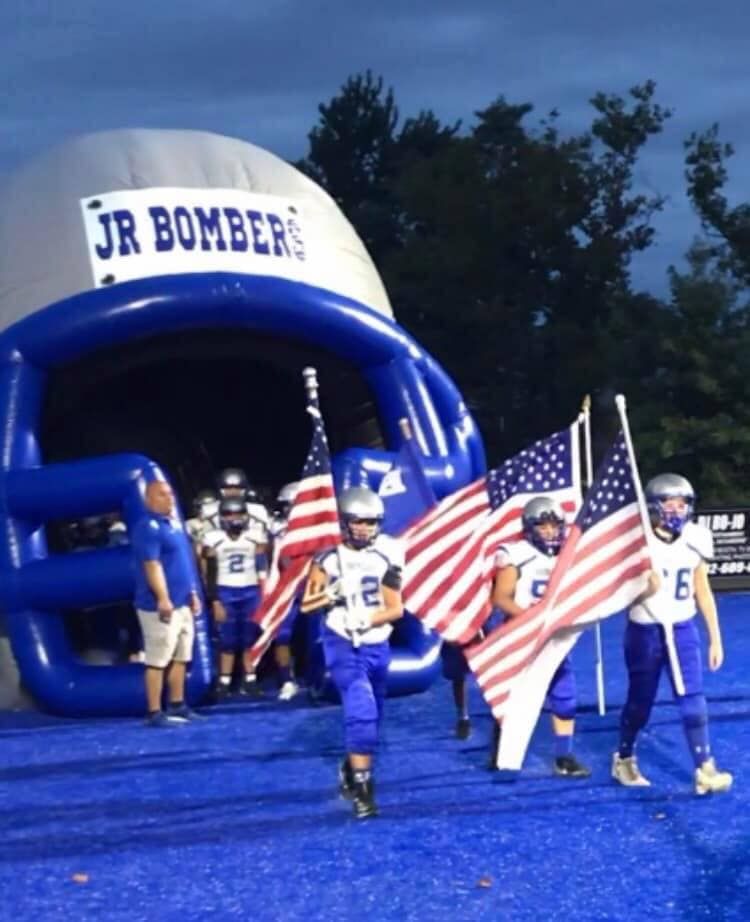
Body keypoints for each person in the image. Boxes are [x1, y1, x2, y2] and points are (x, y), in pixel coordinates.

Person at [612, 473, 732, 795]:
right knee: (640, 703)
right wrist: (642, 589)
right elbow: (617, 596)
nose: (677, 510)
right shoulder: (637, 541)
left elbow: (702, 590)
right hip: (645, 630)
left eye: (683, 503)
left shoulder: (695, 537)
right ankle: (624, 756)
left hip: (681, 627)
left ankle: (705, 768)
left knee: (693, 699)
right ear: (654, 505)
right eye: (670, 503)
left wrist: (715, 637)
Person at [301, 486, 403, 820]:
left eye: (369, 522)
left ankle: (350, 765)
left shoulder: (385, 558)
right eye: (356, 521)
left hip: (376, 642)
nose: (363, 528)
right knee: (361, 710)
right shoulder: (328, 559)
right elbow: (306, 604)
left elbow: (396, 609)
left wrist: (368, 617)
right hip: (343, 642)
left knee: (375, 714)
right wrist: (330, 595)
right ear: (344, 522)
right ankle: (364, 790)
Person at [490, 496, 591, 777]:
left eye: (554, 526)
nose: (549, 532)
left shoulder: (568, 554)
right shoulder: (514, 553)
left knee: (565, 695)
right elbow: (501, 596)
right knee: (511, 694)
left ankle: (564, 756)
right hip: (519, 633)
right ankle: (501, 748)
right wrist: (529, 620)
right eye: (542, 526)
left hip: (554, 635)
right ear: (529, 527)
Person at [130, 479, 204, 726]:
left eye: (170, 494)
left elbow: (183, 563)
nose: (169, 498)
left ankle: (177, 703)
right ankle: (153, 711)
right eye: (162, 495)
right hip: (159, 606)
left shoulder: (173, 525)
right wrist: (162, 598)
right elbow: (152, 565)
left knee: (182, 655)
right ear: (149, 499)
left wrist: (192, 592)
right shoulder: (148, 527)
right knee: (158, 659)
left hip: (182, 602)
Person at [201, 497, 268, 698]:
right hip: (225, 590)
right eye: (229, 514)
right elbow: (208, 571)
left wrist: (264, 591)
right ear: (221, 517)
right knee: (227, 640)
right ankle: (225, 681)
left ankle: (250, 678)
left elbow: (263, 565)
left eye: (238, 514)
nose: (234, 519)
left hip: (250, 589)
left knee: (249, 638)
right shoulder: (213, 538)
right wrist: (214, 599)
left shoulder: (255, 537)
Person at [269, 482, 302, 700]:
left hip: (315, 585)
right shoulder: (276, 528)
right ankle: (286, 679)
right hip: (288, 586)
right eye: (287, 505)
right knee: (281, 635)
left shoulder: (323, 526)